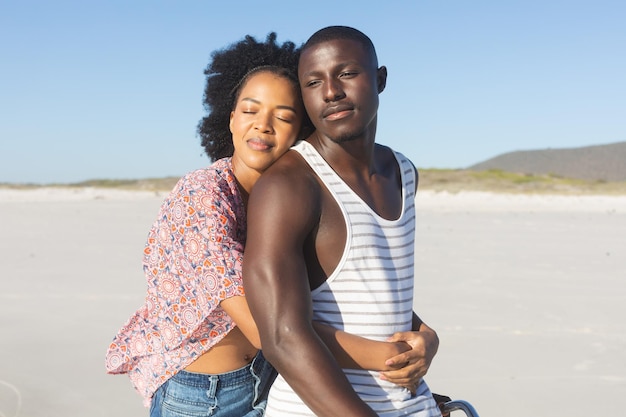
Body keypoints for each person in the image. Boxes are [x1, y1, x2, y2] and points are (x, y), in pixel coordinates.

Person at [105, 32, 433, 416]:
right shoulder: (204, 196)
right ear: (229, 118)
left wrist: (423, 334)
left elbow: (359, 285)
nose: (263, 126)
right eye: (250, 110)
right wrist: (388, 355)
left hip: (268, 377)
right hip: (204, 392)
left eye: (283, 116)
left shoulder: (288, 189)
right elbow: (268, 329)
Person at [242, 26, 442, 417]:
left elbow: (375, 290)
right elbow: (282, 336)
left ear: (380, 79)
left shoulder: (403, 172)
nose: (331, 91)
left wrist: (425, 336)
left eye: (346, 73)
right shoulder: (288, 185)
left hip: (410, 402)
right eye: (313, 82)